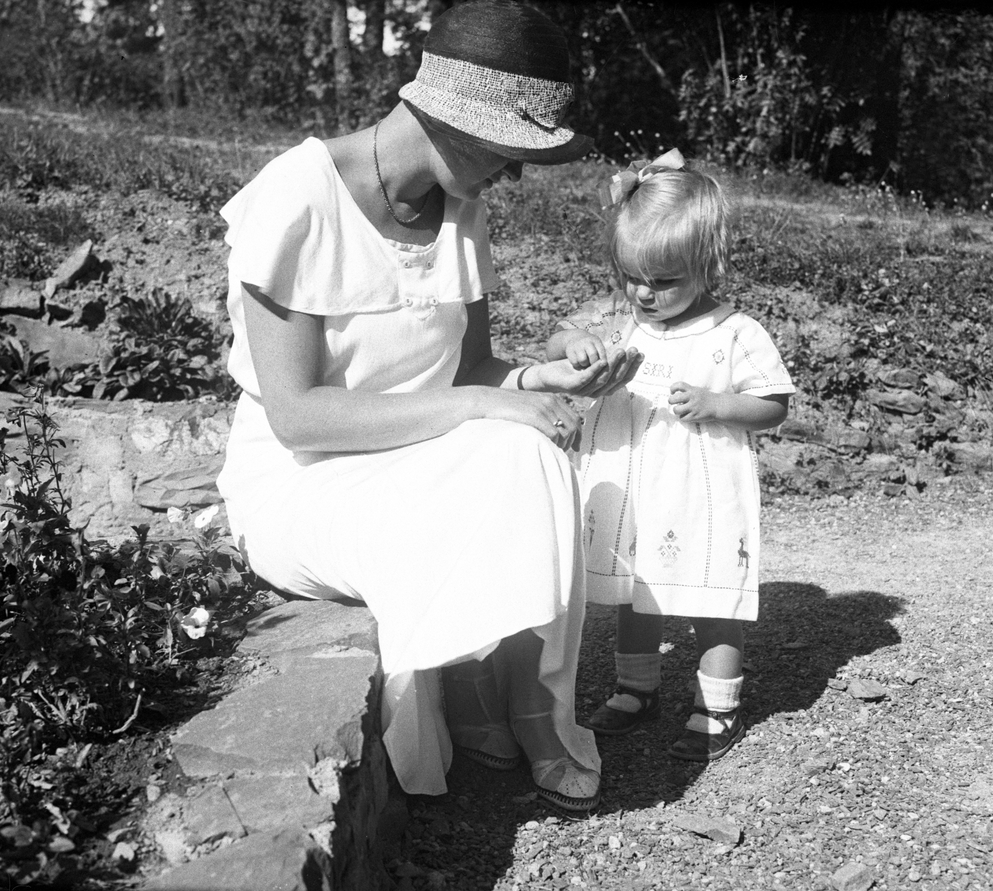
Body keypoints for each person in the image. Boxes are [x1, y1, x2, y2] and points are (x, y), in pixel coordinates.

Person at [215, 0, 640, 812]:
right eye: (510, 151)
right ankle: (475, 700)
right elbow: (298, 416)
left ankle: (532, 709)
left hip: (417, 458)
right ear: (452, 117)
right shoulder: (298, 196)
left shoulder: (463, 210)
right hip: (305, 481)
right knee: (503, 449)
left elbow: (470, 367)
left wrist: (541, 382)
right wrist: (484, 404)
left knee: (536, 448)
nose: (514, 174)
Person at [544, 148, 795, 761]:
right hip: (632, 480)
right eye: (631, 277)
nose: (643, 294)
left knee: (709, 592)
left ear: (706, 265)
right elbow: (559, 336)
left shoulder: (734, 332)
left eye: (662, 282)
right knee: (639, 586)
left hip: (698, 486)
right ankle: (636, 687)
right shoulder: (622, 319)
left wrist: (717, 403)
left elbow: (773, 404)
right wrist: (575, 343)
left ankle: (717, 703)